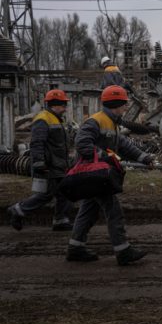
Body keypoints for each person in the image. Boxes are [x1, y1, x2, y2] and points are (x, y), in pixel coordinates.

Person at [66, 85, 154, 266]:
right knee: (114, 211)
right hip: (95, 175)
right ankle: (123, 251)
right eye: (124, 104)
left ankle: (75, 248)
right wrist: (104, 156)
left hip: (97, 175)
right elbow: (81, 143)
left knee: (88, 211)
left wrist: (143, 158)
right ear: (116, 104)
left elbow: (122, 144)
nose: (125, 108)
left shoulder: (111, 122)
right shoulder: (96, 121)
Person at [7, 89, 74, 231]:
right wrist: (39, 163)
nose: (65, 108)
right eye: (63, 105)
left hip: (58, 165)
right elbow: (37, 143)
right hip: (48, 166)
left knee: (65, 191)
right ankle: (18, 209)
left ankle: (61, 220)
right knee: (46, 195)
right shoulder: (43, 119)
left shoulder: (55, 118)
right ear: (55, 105)